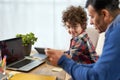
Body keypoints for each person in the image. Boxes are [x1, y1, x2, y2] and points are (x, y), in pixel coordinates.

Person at [45, 0, 120, 80]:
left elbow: (97, 76)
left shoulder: (116, 33)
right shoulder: (114, 29)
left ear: (104, 14)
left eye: (92, 17)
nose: (90, 22)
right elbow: (100, 68)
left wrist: (62, 61)